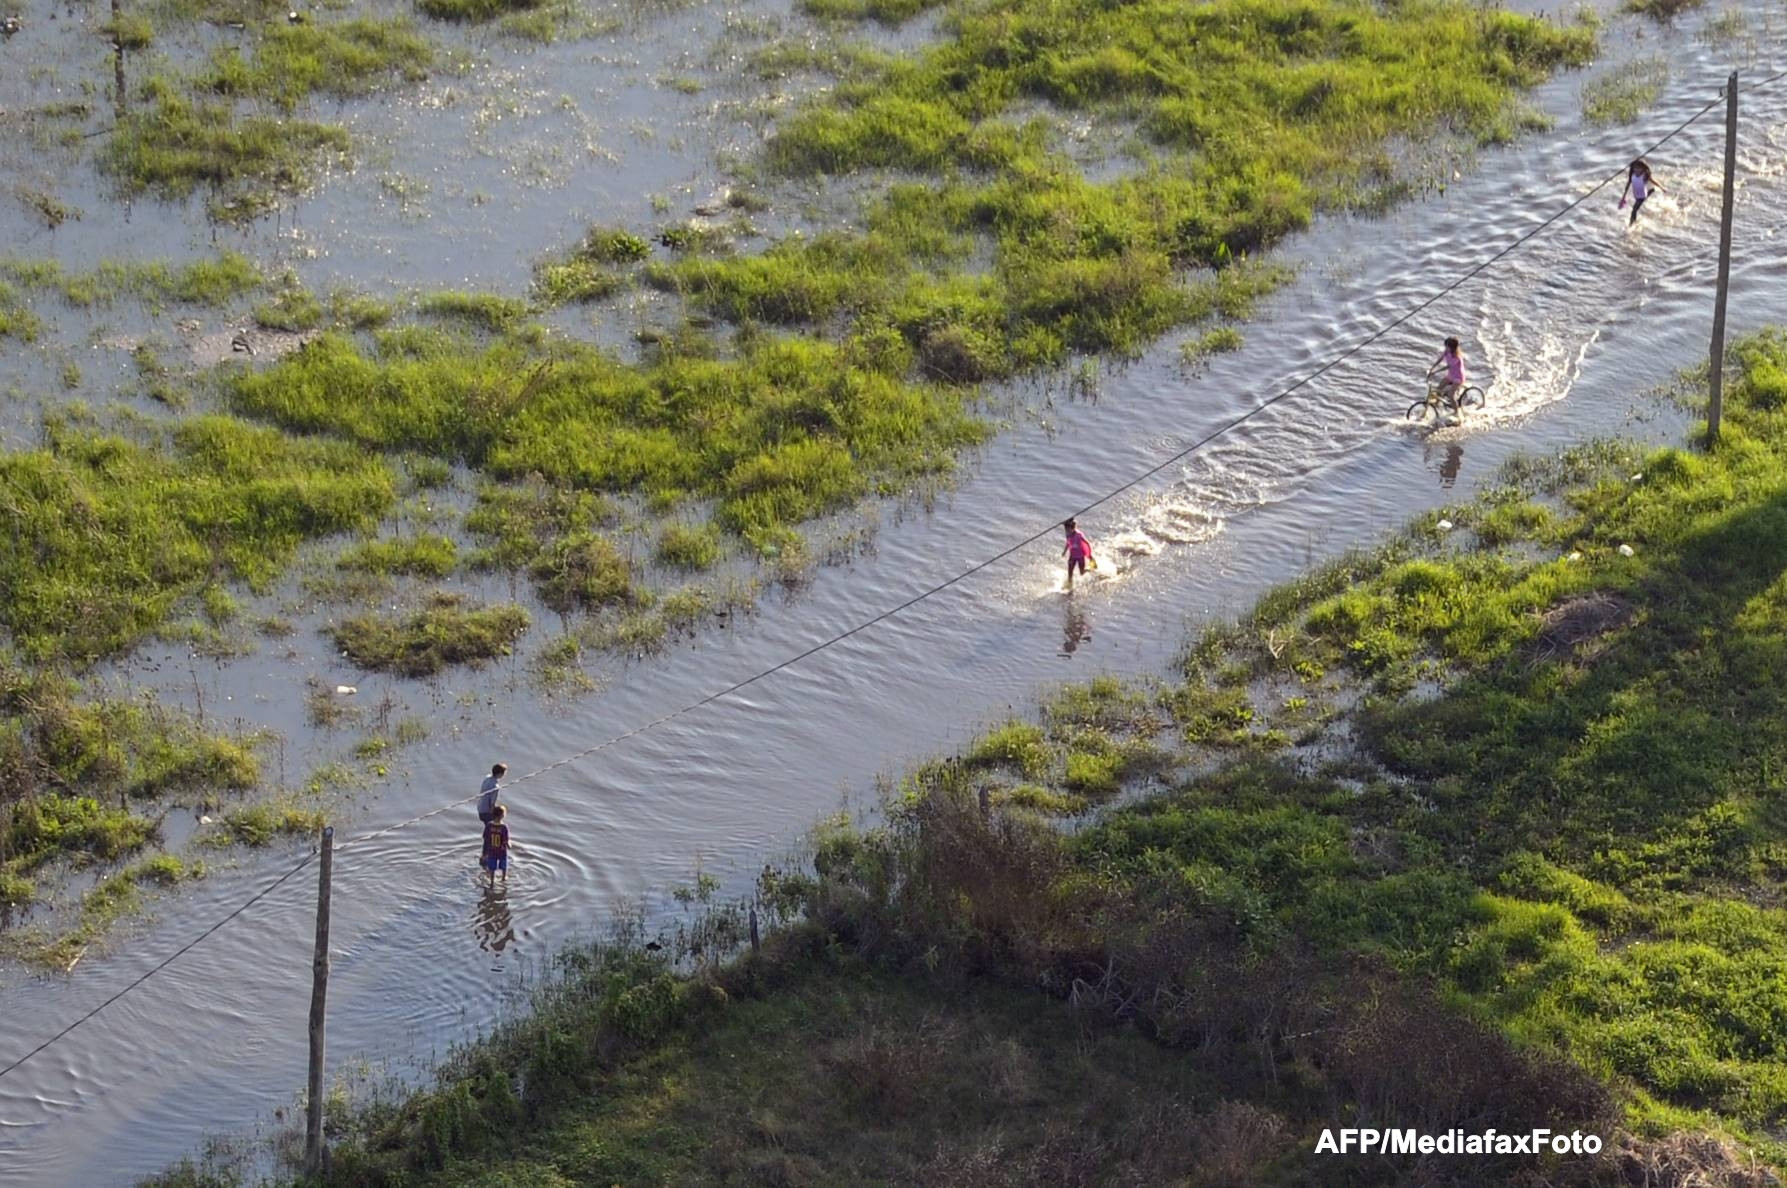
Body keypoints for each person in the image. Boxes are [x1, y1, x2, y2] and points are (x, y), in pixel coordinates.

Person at [1618, 158, 1660, 226]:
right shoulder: (1632, 175)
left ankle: (1631, 225)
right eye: (1635, 168)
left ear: (1643, 169)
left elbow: (1653, 181)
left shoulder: (1644, 176)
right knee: (1646, 196)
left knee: (1634, 210)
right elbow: (1627, 186)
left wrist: (1661, 187)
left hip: (1641, 196)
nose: (1637, 170)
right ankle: (1652, 190)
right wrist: (1623, 197)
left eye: (1639, 168)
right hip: (1637, 195)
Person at [1427, 337, 1465, 404]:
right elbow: (1440, 359)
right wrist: (1432, 368)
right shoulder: (1447, 352)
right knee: (1439, 389)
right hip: (1451, 375)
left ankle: (1456, 412)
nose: (1445, 348)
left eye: (1447, 346)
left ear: (1452, 347)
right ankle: (1437, 404)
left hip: (1458, 377)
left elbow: (1448, 366)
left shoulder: (1456, 357)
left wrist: (1435, 372)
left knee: (1451, 396)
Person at [1062, 518, 1095, 590]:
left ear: (1072, 528)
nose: (1066, 532)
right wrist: (1064, 551)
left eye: (1067, 530)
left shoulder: (1079, 535)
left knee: (1082, 573)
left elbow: (1087, 543)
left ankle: (1090, 568)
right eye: (1066, 530)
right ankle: (1069, 586)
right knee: (1070, 573)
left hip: (1080, 556)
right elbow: (1068, 543)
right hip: (1072, 556)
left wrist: (1089, 555)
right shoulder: (1068, 535)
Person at [481, 805, 510, 887]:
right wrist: (509, 845)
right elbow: (505, 841)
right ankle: (504, 877)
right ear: (502, 816)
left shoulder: (489, 825)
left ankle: (492, 881)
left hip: (491, 851)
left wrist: (484, 853)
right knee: (504, 866)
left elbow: (485, 838)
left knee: (492, 867)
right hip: (502, 851)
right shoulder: (504, 827)